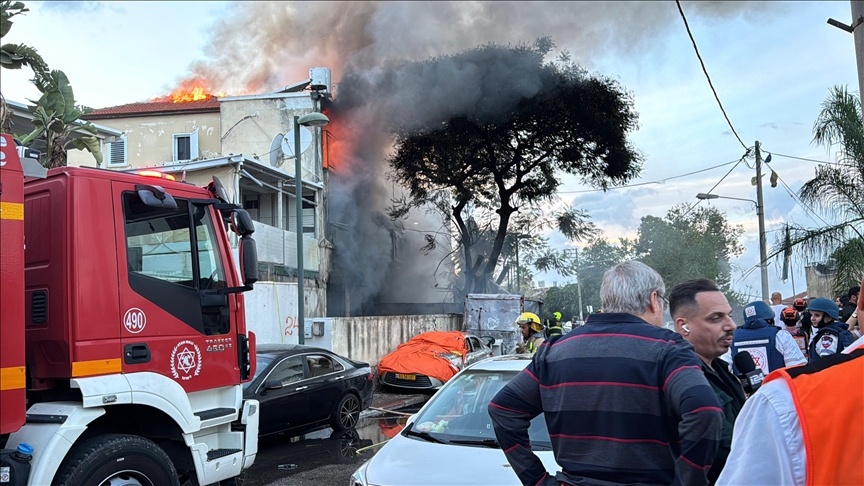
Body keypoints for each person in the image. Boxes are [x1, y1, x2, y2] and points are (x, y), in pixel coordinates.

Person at [489, 261, 723, 486]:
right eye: (662, 302)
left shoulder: (553, 351)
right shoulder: (669, 349)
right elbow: (705, 411)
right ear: (654, 300)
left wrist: (536, 480)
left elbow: (503, 410)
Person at [716, 278, 864, 486]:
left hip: (750, 405)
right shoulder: (780, 337)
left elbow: (725, 368)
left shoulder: (733, 340)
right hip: (787, 402)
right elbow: (798, 364)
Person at [669, 279, 746, 485]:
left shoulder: (719, 368)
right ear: (683, 326)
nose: (731, 325)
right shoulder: (683, 377)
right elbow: (726, 447)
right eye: (715, 318)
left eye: (729, 315)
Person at [728, 301, 807, 374]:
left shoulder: (732, 338)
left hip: (743, 389)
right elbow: (798, 369)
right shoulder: (780, 335)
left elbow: (723, 369)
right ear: (770, 319)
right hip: (777, 388)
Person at [807, 297, 855, 362]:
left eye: (817, 315)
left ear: (829, 318)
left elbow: (826, 362)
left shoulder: (827, 336)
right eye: (811, 315)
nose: (812, 318)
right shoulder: (841, 330)